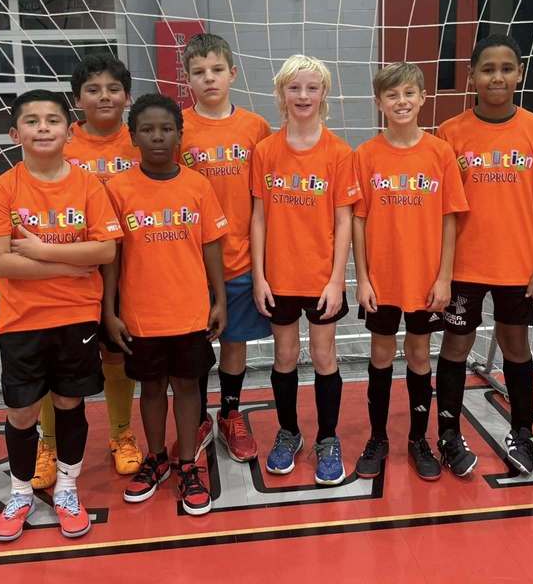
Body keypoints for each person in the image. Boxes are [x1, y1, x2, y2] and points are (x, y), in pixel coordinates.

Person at [0, 89, 122, 542]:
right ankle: (20, 492)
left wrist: (40, 251)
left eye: (52, 120)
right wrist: (65, 263)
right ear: (14, 132)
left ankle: (66, 487)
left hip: (76, 316)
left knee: (69, 403)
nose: (42, 128)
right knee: (22, 412)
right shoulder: (4, 187)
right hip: (22, 319)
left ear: (68, 130)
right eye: (32, 120)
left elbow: (105, 248)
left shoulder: (87, 185)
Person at [435, 34, 533, 477]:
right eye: (487, 68)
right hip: (464, 266)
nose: (497, 76)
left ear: (520, 74)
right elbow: (442, 209)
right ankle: (449, 433)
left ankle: (523, 431)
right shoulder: (450, 133)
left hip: (518, 265)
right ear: (472, 76)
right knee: (456, 346)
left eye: (506, 68)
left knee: (516, 346)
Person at [103, 94, 228, 516]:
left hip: (191, 311)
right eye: (148, 130)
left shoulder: (197, 185)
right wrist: (109, 310)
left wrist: (220, 299)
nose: (158, 137)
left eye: (166, 129)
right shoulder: (117, 189)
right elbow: (112, 258)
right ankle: (156, 457)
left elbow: (211, 245)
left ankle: (188, 462)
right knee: (152, 388)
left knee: (188, 386)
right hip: (141, 315)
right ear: (133, 136)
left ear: (179, 134)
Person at [29, 53, 143, 493]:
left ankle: (120, 433)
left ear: (127, 97)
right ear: (77, 101)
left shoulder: (141, 139)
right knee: (53, 363)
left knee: (117, 355)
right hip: (66, 273)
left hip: (130, 270)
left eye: (113, 89)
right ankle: (49, 443)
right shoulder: (61, 144)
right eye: (93, 90)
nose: (105, 96)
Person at [352, 62, 468, 481]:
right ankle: (378, 437)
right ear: (379, 103)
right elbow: (358, 220)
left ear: (423, 98)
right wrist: (362, 278)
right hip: (382, 281)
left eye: (408, 94)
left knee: (419, 355)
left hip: (425, 281)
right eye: (391, 95)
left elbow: (450, 218)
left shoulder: (439, 153)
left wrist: (444, 278)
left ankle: (419, 439)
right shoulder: (365, 155)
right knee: (381, 355)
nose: (401, 102)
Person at [251, 55, 359, 486]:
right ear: (280, 94)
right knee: (284, 357)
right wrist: (259, 275)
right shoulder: (265, 152)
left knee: (324, 356)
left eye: (312, 88)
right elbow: (258, 216)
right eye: (295, 88)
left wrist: (337, 279)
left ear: (324, 94)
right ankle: (289, 432)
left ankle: (328, 438)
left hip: (320, 278)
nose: (303, 96)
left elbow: (344, 220)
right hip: (279, 275)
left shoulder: (338, 152)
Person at [180, 33, 272, 462]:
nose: (209, 78)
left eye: (216, 70)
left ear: (233, 73)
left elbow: (263, 200)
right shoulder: (178, 128)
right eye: (199, 72)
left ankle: (230, 413)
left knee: (235, 343)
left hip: (240, 258)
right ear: (188, 80)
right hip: (188, 263)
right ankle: (197, 415)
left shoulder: (255, 127)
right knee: (196, 348)